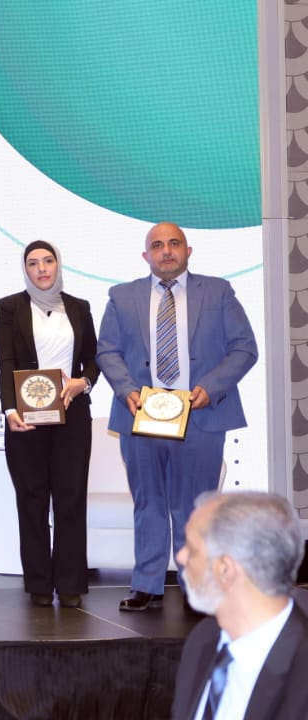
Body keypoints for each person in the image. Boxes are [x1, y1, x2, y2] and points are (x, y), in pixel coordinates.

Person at [97, 222, 259, 612]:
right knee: (148, 503)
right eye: (157, 245)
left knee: (195, 508)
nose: (166, 251)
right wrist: (127, 390)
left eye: (174, 243)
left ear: (188, 250)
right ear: (146, 255)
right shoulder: (122, 296)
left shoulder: (218, 292)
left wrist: (211, 387)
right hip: (141, 416)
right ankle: (147, 586)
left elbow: (244, 347)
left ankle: (197, 587)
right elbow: (107, 351)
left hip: (201, 415)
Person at [136, 490, 307, 720]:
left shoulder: (301, 679)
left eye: (192, 549)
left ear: (226, 570)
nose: (180, 557)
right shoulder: (205, 641)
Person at [0, 240, 98, 609]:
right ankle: (39, 583)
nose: (41, 269)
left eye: (48, 261)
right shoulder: (9, 307)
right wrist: (9, 410)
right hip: (26, 418)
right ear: (25, 269)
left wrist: (82, 382)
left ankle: (70, 584)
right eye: (33, 263)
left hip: (72, 415)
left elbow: (93, 359)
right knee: (32, 500)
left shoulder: (80, 307)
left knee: (70, 499)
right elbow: (6, 362)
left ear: (58, 264)